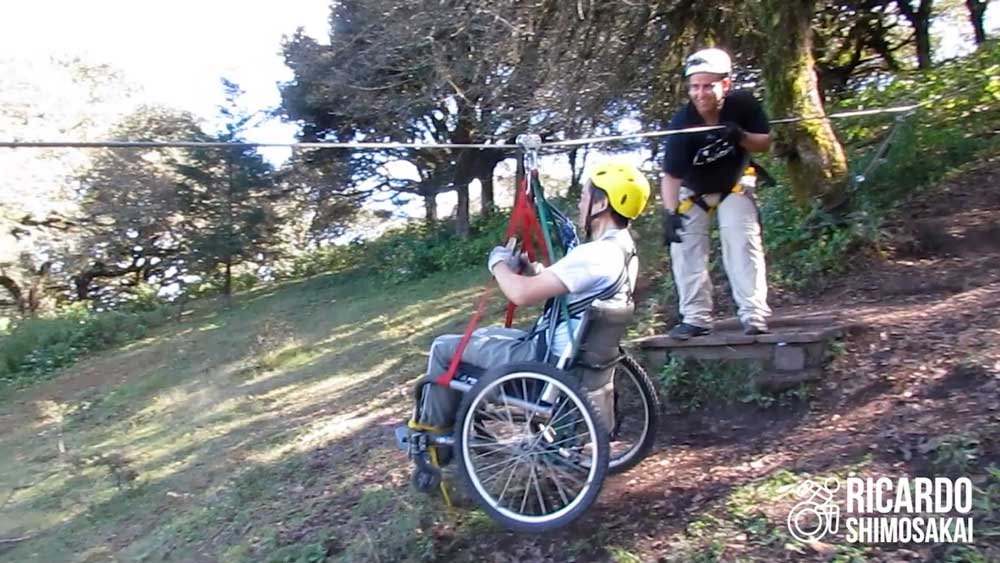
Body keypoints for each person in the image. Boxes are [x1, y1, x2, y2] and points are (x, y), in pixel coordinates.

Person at [412, 160, 651, 432]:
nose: (580, 205)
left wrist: (498, 263)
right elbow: (576, 289)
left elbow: (521, 294)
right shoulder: (624, 251)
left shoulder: (595, 255)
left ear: (601, 204)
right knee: (479, 337)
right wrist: (535, 270)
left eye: (585, 197)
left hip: (544, 358)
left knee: (444, 348)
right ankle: (464, 429)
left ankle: (434, 438)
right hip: (571, 353)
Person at [660, 47, 773, 340]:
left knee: (741, 240)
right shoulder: (682, 123)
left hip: (734, 183)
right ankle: (696, 318)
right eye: (694, 87)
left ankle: (753, 314)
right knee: (685, 248)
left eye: (708, 86)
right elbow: (671, 176)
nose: (700, 94)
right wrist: (670, 214)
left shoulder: (743, 105)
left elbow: (764, 142)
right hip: (694, 189)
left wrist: (742, 137)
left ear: (725, 84)